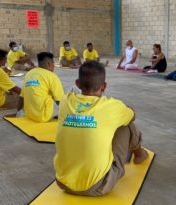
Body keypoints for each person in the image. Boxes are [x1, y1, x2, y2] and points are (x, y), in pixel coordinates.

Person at [54, 61, 148, 196]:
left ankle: (138, 152)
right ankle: (139, 153)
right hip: (97, 186)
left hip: (63, 183)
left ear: (78, 83)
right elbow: (132, 116)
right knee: (125, 125)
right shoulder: (112, 106)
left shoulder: (65, 101)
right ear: (104, 86)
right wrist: (123, 110)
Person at [22, 52, 64, 123]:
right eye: (53, 63)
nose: (54, 66)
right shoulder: (52, 76)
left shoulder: (29, 73)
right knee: (71, 92)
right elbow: (60, 101)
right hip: (44, 116)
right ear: (49, 63)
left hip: (29, 114)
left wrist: (18, 112)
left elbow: (21, 97)